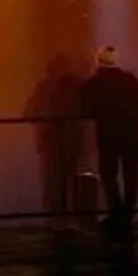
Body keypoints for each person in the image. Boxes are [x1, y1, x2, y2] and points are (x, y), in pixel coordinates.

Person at [78, 45, 138, 237]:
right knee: (131, 175)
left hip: (108, 135)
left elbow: (84, 108)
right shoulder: (129, 80)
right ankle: (128, 215)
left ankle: (115, 211)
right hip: (131, 135)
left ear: (99, 61)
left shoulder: (94, 83)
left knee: (108, 174)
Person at [24, 52, 86, 223]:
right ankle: (73, 216)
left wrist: (40, 120)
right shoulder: (77, 85)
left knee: (52, 181)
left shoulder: (43, 87)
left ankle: (55, 217)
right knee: (71, 179)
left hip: (50, 141)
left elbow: (29, 112)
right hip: (70, 140)